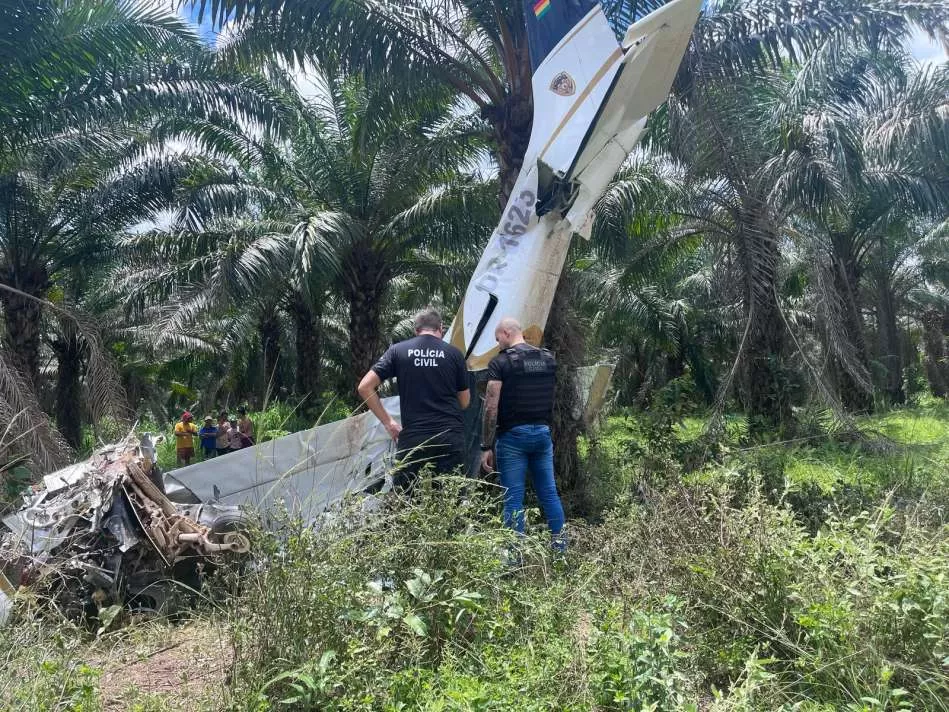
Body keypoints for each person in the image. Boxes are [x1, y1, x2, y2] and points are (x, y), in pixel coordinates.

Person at [357, 307, 470, 492]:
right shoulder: (454, 354)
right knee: (452, 497)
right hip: (450, 436)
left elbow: (364, 387)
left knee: (404, 498)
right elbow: (464, 402)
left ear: (415, 330)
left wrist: (389, 423)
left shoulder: (398, 351)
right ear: (440, 328)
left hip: (413, 437)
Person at [480, 317, 566, 552]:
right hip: (542, 435)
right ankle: (560, 551)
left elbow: (490, 406)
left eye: (498, 339)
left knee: (513, 499)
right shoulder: (548, 359)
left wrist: (486, 445)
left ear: (507, 333)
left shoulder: (501, 363)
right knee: (549, 494)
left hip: (513, 438)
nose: (498, 344)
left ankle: (513, 559)